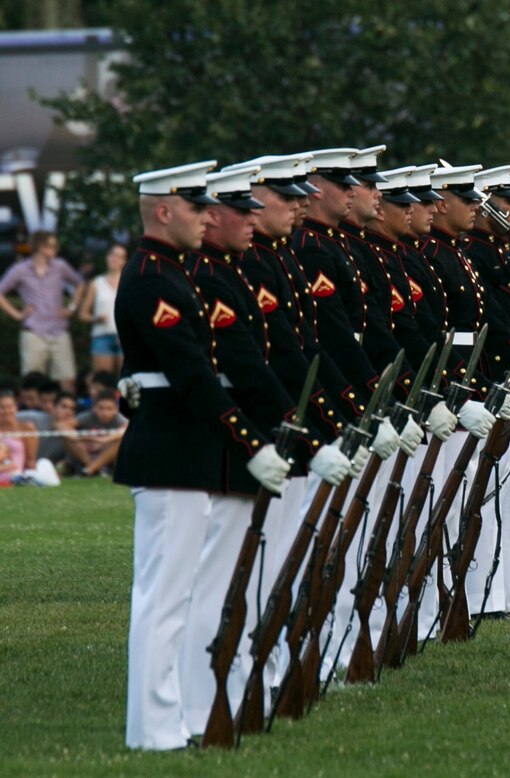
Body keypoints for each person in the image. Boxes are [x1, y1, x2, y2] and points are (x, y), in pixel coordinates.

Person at [116, 160, 290, 750]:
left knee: (181, 593)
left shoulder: (172, 274)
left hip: (185, 449)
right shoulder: (150, 277)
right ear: (165, 210)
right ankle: (152, 727)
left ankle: (178, 715)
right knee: (163, 598)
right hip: (170, 452)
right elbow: (191, 375)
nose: (207, 218)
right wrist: (252, 440)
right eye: (197, 209)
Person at [0, 230, 85, 392]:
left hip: (59, 330)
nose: (55, 249)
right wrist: (17, 314)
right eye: (52, 246)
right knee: (31, 382)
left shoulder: (60, 266)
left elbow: (79, 283)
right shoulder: (20, 269)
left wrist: (71, 308)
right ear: (40, 247)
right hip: (33, 331)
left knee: (67, 381)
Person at [78, 242, 127, 376]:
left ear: (124, 261)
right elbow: (83, 314)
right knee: (102, 380)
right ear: (107, 257)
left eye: (119, 256)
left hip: (124, 337)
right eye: (113, 255)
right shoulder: (96, 283)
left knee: (125, 381)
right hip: (101, 336)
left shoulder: (128, 283)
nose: (115, 259)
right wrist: (95, 318)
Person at [64, 389, 127, 476]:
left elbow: (125, 431)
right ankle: (92, 467)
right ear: (94, 408)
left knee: (121, 443)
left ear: (116, 409)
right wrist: (79, 438)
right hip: (87, 451)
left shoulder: (119, 419)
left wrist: (102, 440)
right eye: (101, 408)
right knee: (67, 439)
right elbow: (62, 425)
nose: (105, 413)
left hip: (107, 452)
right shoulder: (87, 416)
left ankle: (90, 470)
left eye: (109, 409)